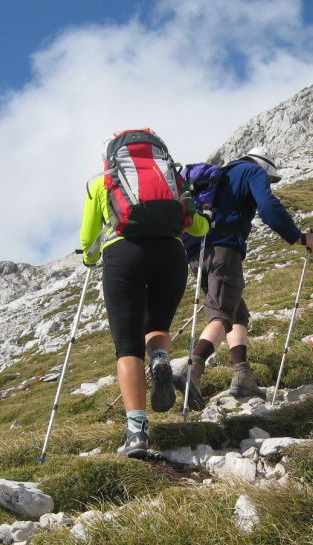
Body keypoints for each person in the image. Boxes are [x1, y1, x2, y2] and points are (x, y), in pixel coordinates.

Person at [81, 129, 210, 458]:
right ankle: (162, 359)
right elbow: (195, 225)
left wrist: (89, 257)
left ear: (112, 157)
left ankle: (137, 432)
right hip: (171, 255)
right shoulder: (172, 181)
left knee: (127, 346)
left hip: (124, 257)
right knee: (158, 327)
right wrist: (206, 226)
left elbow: (88, 238)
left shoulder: (102, 182)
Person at [174, 147, 313, 410]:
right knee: (221, 315)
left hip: (197, 251)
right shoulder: (252, 171)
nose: (270, 182)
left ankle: (243, 375)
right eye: (271, 179)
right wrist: (298, 237)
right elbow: (268, 207)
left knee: (237, 313)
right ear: (265, 167)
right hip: (224, 249)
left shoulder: (221, 176)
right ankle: (192, 370)